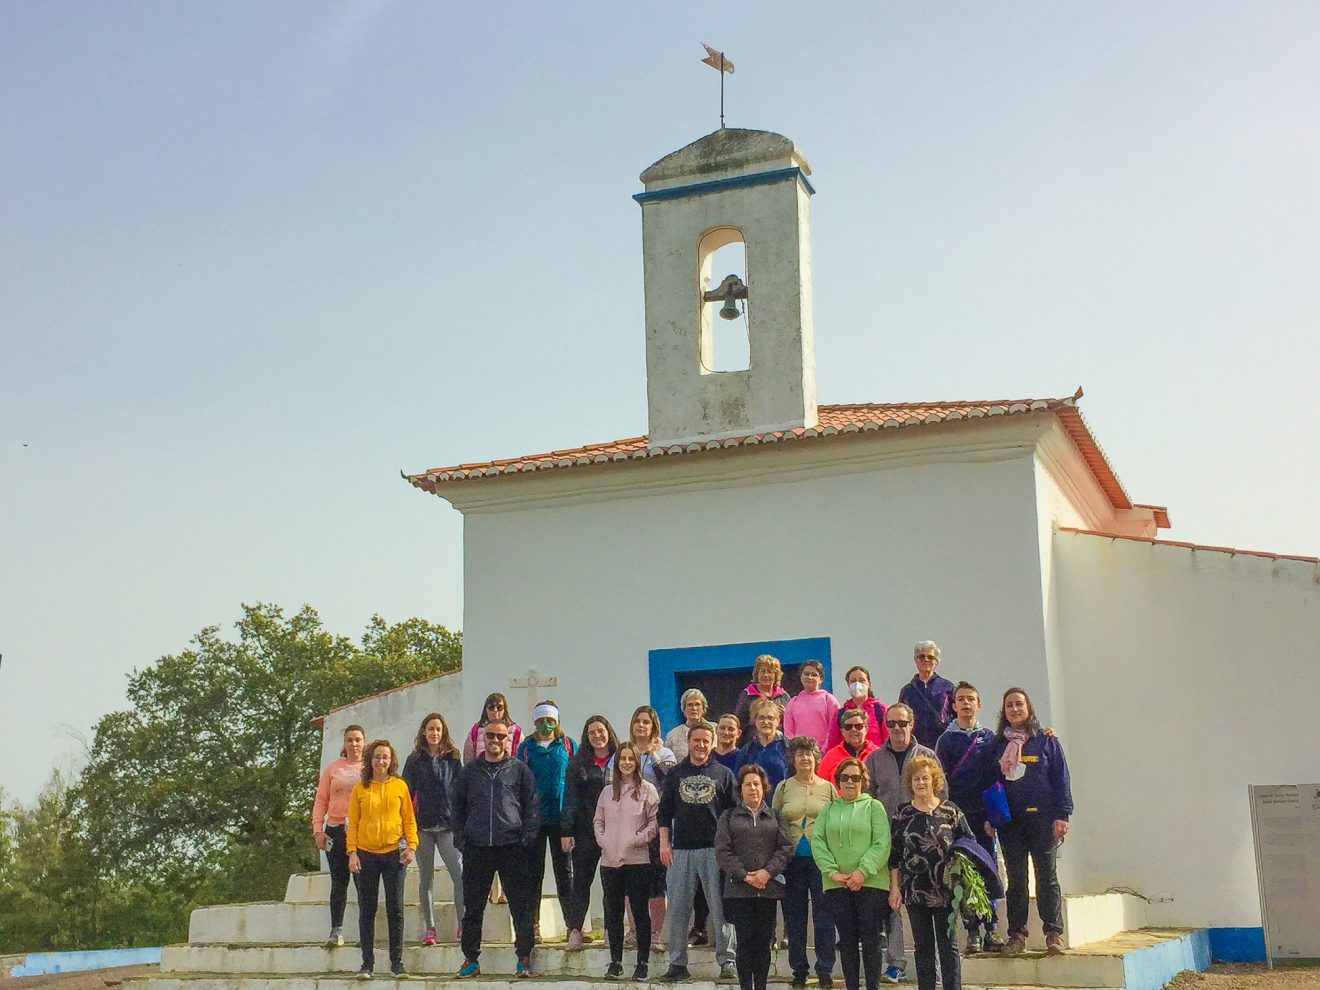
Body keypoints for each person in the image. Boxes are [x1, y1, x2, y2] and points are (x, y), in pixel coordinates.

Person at [451, 716, 540, 980]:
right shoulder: (469, 772)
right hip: (477, 848)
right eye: (490, 735)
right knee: (473, 907)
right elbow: (457, 808)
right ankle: (470, 959)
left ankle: (524, 958)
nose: (495, 741)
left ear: (508, 740)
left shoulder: (520, 770)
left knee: (521, 906)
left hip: (512, 847)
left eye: (500, 736)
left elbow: (532, 806)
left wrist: (526, 839)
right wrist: (461, 839)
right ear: (483, 738)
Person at [992, 687, 1073, 956]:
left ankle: (1053, 934)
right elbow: (990, 783)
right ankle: (1016, 935)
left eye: (1019, 704)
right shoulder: (996, 745)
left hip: (1043, 820)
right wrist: (991, 818)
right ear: (1003, 711)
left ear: (1029, 708)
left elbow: (1061, 779)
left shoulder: (1046, 741)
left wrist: (1063, 815)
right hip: (1011, 824)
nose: (1015, 709)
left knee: (1047, 876)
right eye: (1009, 705)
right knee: (1016, 879)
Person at [864, 702, 940, 984]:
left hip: (924, 841)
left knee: (929, 904)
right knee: (893, 901)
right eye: (892, 724)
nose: (897, 729)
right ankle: (896, 963)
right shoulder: (874, 759)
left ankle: (932, 966)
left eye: (902, 723)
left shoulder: (927, 756)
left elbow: (940, 792)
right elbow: (868, 798)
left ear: (912, 725)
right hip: (888, 840)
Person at [657, 720, 738, 983]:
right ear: (688, 742)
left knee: (720, 909)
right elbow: (664, 813)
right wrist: (664, 843)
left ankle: (728, 963)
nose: (701, 745)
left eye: (706, 740)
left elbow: (733, 814)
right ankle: (677, 963)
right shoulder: (675, 774)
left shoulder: (724, 774)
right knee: (679, 909)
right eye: (696, 740)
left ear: (712, 743)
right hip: (681, 851)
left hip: (715, 851)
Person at [888, 756, 973, 990]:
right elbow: (894, 855)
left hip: (946, 890)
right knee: (922, 947)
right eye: (916, 779)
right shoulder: (902, 814)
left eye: (925, 778)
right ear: (910, 783)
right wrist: (895, 888)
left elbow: (969, 845)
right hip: (916, 890)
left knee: (948, 946)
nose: (921, 783)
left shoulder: (950, 811)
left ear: (934, 780)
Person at [934, 682, 1005, 954]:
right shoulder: (946, 740)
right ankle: (972, 930)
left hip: (983, 817)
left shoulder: (989, 737)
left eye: (971, 699)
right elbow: (941, 782)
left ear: (979, 704)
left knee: (988, 871)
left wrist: (993, 817)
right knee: (964, 874)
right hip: (957, 818)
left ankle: (992, 928)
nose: (965, 704)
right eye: (960, 699)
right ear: (953, 705)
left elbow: (996, 778)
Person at [811, 757, 891, 990]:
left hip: (871, 883)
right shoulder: (828, 809)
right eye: (844, 777)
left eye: (855, 778)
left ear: (863, 781)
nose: (849, 782)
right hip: (837, 884)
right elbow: (818, 841)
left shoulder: (874, 807)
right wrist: (832, 872)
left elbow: (882, 842)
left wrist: (862, 872)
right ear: (838, 781)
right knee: (846, 940)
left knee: (871, 939)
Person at [715, 765, 793, 990]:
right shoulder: (728, 816)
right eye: (748, 784)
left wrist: (767, 873)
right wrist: (744, 876)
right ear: (741, 789)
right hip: (740, 891)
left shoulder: (775, 816)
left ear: (764, 788)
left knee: (763, 944)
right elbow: (722, 850)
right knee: (745, 943)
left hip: (767, 891)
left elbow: (785, 848)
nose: (752, 789)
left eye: (756, 784)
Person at [346, 739, 418, 980]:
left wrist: (412, 847)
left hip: (394, 854)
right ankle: (367, 964)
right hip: (366, 854)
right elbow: (353, 822)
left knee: (395, 908)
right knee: (367, 909)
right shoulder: (360, 788)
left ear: (391, 760)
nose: (381, 761)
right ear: (370, 760)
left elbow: (408, 819)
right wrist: (352, 852)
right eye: (377, 756)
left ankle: (397, 963)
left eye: (385, 757)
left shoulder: (400, 786)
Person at [771, 736, 836, 989]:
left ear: (816, 758)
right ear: (793, 759)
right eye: (799, 755)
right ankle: (799, 970)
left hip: (821, 861)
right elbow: (775, 821)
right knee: (795, 918)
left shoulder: (828, 788)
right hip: (792, 861)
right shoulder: (784, 788)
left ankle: (825, 969)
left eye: (809, 754)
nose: (804, 759)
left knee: (824, 916)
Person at [594, 741, 660, 980]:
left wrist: (637, 839)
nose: (626, 763)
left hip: (637, 861)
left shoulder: (647, 790)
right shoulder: (606, 791)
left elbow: (654, 822)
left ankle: (642, 962)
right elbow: (598, 821)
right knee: (613, 912)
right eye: (622, 758)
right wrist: (604, 841)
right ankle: (615, 962)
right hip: (609, 861)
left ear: (637, 762)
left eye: (630, 758)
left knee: (640, 912)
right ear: (617, 762)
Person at [402, 713, 465, 947]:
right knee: (425, 879)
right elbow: (406, 794)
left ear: (443, 732)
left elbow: (461, 792)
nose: (434, 733)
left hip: (448, 827)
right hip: (423, 828)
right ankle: (430, 928)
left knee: (459, 875)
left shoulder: (453, 758)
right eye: (430, 729)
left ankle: (463, 924)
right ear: (423, 732)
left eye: (438, 729)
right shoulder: (414, 759)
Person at [516, 700, 576, 942]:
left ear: (557, 721)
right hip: (535, 820)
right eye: (541, 721)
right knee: (533, 874)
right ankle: (533, 926)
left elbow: (574, 779)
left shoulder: (568, 745)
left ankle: (573, 926)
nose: (546, 725)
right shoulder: (527, 748)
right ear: (535, 722)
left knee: (565, 874)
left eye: (550, 720)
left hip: (562, 820)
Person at [562, 715, 619, 951]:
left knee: (612, 884)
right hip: (585, 831)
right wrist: (566, 830)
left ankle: (610, 930)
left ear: (609, 732)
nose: (597, 736)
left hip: (614, 832)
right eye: (592, 732)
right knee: (581, 882)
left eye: (600, 731)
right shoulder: (578, 763)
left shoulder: (620, 759)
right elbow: (570, 797)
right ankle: (575, 929)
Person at [312, 724, 366, 948]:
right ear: (344, 744)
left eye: (358, 740)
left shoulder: (369, 768)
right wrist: (318, 829)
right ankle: (336, 931)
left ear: (364, 743)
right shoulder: (333, 769)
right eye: (350, 740)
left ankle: (366, 933)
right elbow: (321, 799)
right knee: (338, 882)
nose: (354, 744)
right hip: (335, 829)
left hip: (362, 832)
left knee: (364, 883)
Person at [897, 642, 957, 749]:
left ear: (936, 662)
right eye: (921, 656)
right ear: (916, 660)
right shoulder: (907, 691)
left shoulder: (947, 687)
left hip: (942, 745)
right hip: (914, 745)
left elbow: (956, 716)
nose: (926, 659)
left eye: (930, 657)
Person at [732, 655, 792, 746]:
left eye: (770, 672)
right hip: (753, 746)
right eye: (762, 671)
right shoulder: (747, 694)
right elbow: (738, 723)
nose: (766, 675)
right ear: (757, 674)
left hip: (779, 747)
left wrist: (786, 716)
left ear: (776, 675)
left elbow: (793, 724)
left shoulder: (784, 696)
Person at [783, 660, 840, 752]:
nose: (809, 677)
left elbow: (834, 728)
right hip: (800, 753)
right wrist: (797, 749)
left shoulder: (828, 700)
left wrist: (824, 750)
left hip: (823, 752)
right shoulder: (793, 702)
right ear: (801, 676)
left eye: (814, 675)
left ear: (821, 679)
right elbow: (788, 730)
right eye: (806, 674)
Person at [735, 697, 790, 792]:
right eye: (761, 718)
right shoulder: (748, 750)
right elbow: (738, 780)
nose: (765, 722)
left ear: (777, 722)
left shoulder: (787, 748)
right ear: (755, 721)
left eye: (770, 718)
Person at [828, 666, 889, 751]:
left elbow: (888, 741)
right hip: (848, 762)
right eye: (853, 681)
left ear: (869, 684)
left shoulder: (881, 710)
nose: (857, 684)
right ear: (848, 684)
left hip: (874, 761)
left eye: (862, 680)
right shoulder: (840, 714)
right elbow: (832, 745)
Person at [820, 709, 881, 787]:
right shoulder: (830, 756)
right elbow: (822, 788)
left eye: (858, 726)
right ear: (842, 731)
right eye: (848, 727)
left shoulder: (877, 754)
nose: (853, 730)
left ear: (866, 729)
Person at [463, 692, 524, 763]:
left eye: (499, 707)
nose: (495, 710)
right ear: (486, 710)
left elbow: (522, 758)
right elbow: (468, 759)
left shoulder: (516, 732)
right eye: (491, 707)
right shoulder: (475, 731)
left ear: (505, 710)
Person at [665, 689, 709, 761]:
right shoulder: (672, 735)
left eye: (697, 704)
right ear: (684, 708)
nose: (694, 708)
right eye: (690, 705)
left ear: (703, 708)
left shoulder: (714, 730)